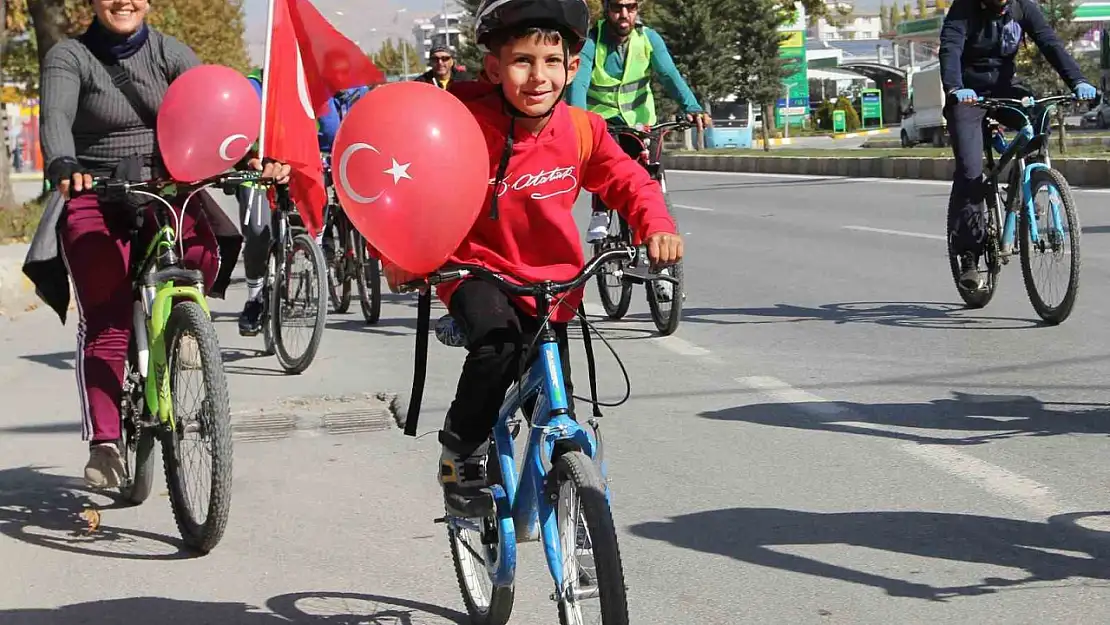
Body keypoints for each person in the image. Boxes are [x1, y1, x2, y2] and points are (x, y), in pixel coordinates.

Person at [382, 0, 684, 517]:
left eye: (551, 63)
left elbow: (630, 181)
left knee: (552, 400)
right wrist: (401, 254)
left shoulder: (584, 130)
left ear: (571, 67)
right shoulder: (462, 124)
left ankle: (570, 500)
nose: (537, 77)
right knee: (498, 347)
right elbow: (403, 185)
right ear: (495, 68)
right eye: (522, 61)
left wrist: (656, 226)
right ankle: (461, 450)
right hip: (476, 268)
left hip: (553, 284)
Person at [22, 0, 290, 488]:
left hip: (167, 186)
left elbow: (214, 113)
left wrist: (252, 156)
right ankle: (105, 443)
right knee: (106, 318)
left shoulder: (171, 53)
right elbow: (56, 117)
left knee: (204, 253)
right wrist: (63, 165)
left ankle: (183, 330)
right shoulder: (70, 57)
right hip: (96, 189)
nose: (124, 1)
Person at [939, 0, 1096, 290]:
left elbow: (1050, 43)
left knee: (1039, 110)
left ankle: (1028, 181)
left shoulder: (1023, 7)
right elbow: (950, 47)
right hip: (968, 96)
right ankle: (970, 257)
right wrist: (955, 87)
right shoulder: (964, 7)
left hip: (1005, 90)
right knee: (970, 171)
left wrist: (1078, 81)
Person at [235, 69, 370, 335]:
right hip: (257, 170)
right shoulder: (255, 86)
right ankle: (255, 298)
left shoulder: (311, 89)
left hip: (297, 168)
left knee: (317, 211)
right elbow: (238, 133)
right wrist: (250, 159)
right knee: (259, 233)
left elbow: (331, 132)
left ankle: (320, 245)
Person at [565, 0, 710, 242]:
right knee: (607, 163)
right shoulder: (591, 41)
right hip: (604, 121)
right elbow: (578, 83)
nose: (624, 15)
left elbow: (669, 74)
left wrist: (691, 107)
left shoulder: (648, 38)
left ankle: (661, 246)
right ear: (605, 8)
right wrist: (579, 122)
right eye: (617, 8)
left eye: (630, 8)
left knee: (650, 172)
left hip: (641, 122)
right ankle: (600, 211)